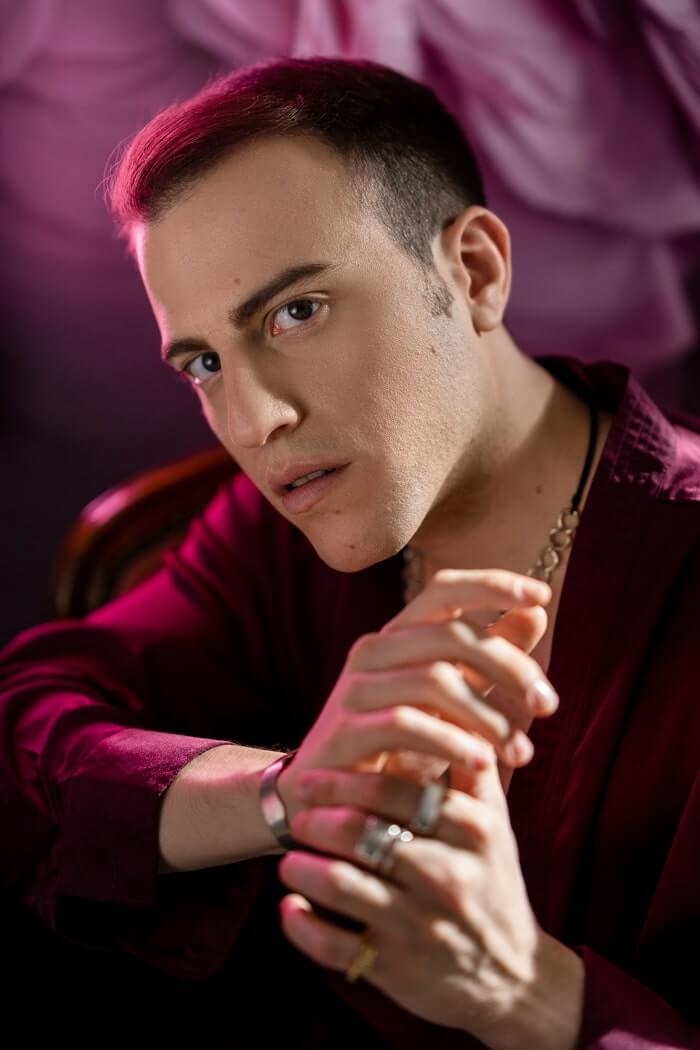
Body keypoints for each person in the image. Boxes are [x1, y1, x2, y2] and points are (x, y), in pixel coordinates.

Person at [0, 57, 698, 1048]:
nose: (255, 420)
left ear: (474, 272)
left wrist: (533, 998)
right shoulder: (279, 530)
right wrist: (288, 794)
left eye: (297, 311)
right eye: (204, 363)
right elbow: (24, 723)